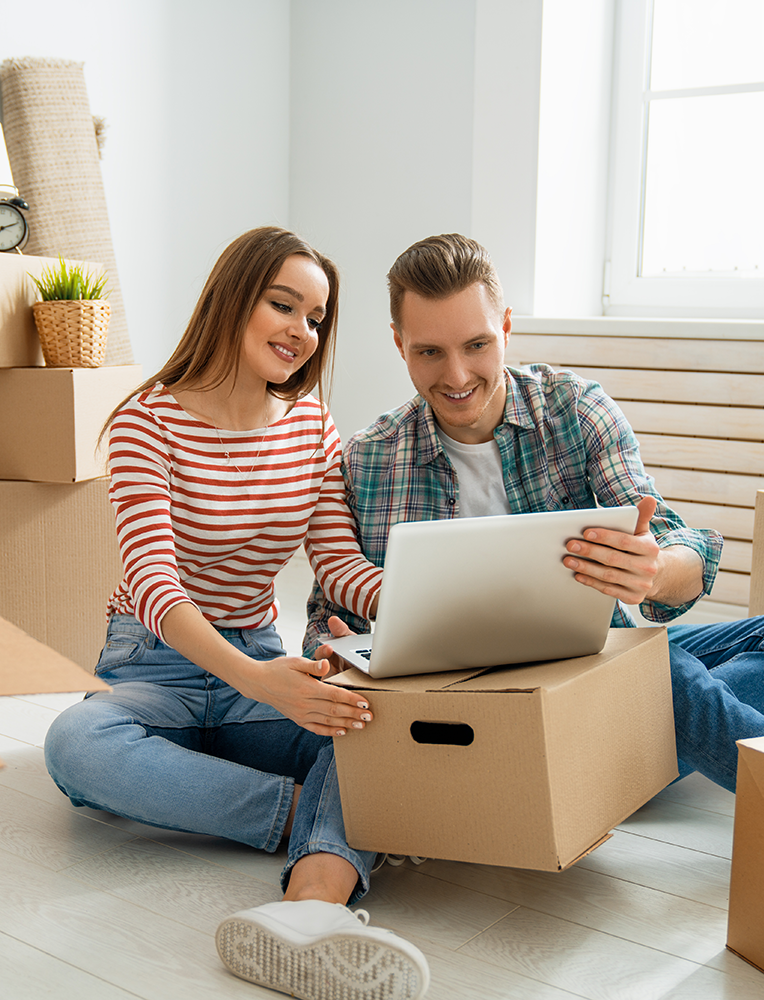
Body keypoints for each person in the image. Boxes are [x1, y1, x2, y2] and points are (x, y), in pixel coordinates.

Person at [43, 226, 430, 1000]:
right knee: (76, 742)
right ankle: (327, 829)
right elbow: (154, 585)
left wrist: (439, 599)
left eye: (316, 318)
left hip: (260, 652)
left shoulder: (312, 429)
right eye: (282, 304)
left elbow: (340, 566)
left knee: (366, 727)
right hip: (155, 664)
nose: (300, 331)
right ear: (232, 297)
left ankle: (309, 903)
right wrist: (261, 681)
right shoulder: (144, 421)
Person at [305, 232, 764, 796]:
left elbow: (677, 546)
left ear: (506, 327)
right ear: (399, 344)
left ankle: (623, 751)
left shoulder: (575, 409)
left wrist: (654, 570)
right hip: (470, 699)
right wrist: (325, 659)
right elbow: (329, 612)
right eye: (430, 352)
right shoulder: (369, 458)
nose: (456, 376)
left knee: (660, 674)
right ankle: (636, 744)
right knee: (666, 677)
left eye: (476, 344)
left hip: (591, 661)